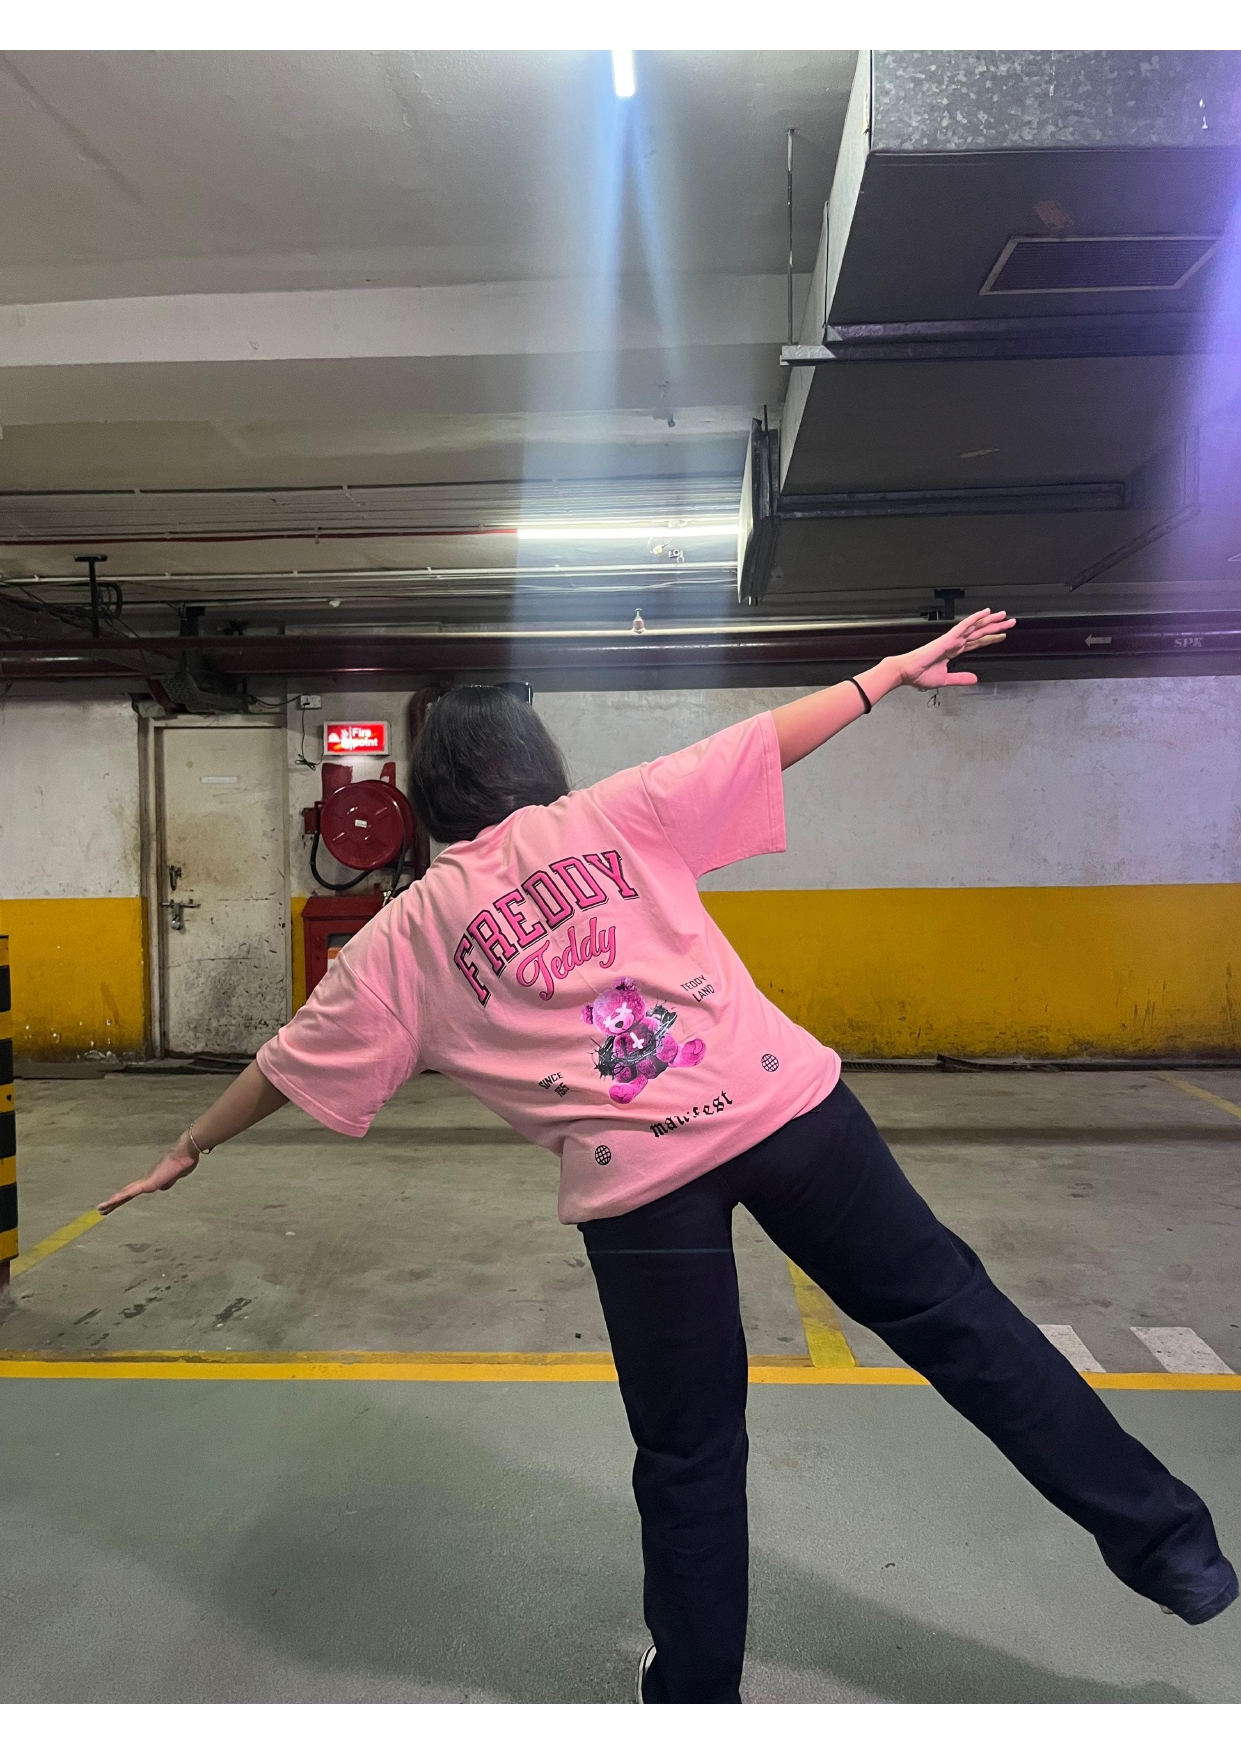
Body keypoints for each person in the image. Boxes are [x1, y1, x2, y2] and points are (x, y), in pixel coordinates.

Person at [101, 607, 1237, 1703]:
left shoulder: (406, 934)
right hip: (788, 1114)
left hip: (640, 1193)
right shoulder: (615, 810)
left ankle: (695, 1697)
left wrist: (188, 1144)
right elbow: (766, 739)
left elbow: (286, 1059)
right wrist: (888, 674)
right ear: (532, 757)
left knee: (689, 1451)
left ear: (428, 793)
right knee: (962, 1322)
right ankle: (1174, 1550)